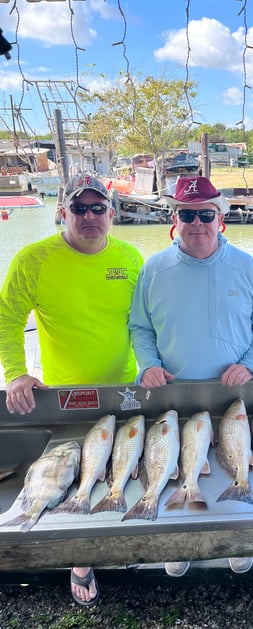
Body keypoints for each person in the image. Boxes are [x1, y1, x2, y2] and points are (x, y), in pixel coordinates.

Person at [0, 173, 144, 606]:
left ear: (112, 214)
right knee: (74, 482)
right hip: (64, 396)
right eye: (78, 208)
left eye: (98, 208)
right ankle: (80, 561)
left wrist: (158, 367)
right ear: (62, 212)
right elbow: (7, 319)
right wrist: (16, 374)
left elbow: (149, 322)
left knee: (127, 472)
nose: (88, 216)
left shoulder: (132, 258)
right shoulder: (33, 259)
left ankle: (132, 542)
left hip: (125, 390)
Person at [128, 175, 253, 577]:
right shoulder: (154, 269)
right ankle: (179, 543)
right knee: (175, 470)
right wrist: (147, 365)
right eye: (187, 214)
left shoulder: (247, 267)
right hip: (172, 398)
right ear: (174, 220)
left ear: (221, 218)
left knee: (236, 469)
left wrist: (249, 363)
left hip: (234, 397)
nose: (197, 223)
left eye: (205, 214)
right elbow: (140, 327)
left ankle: (236, 537)